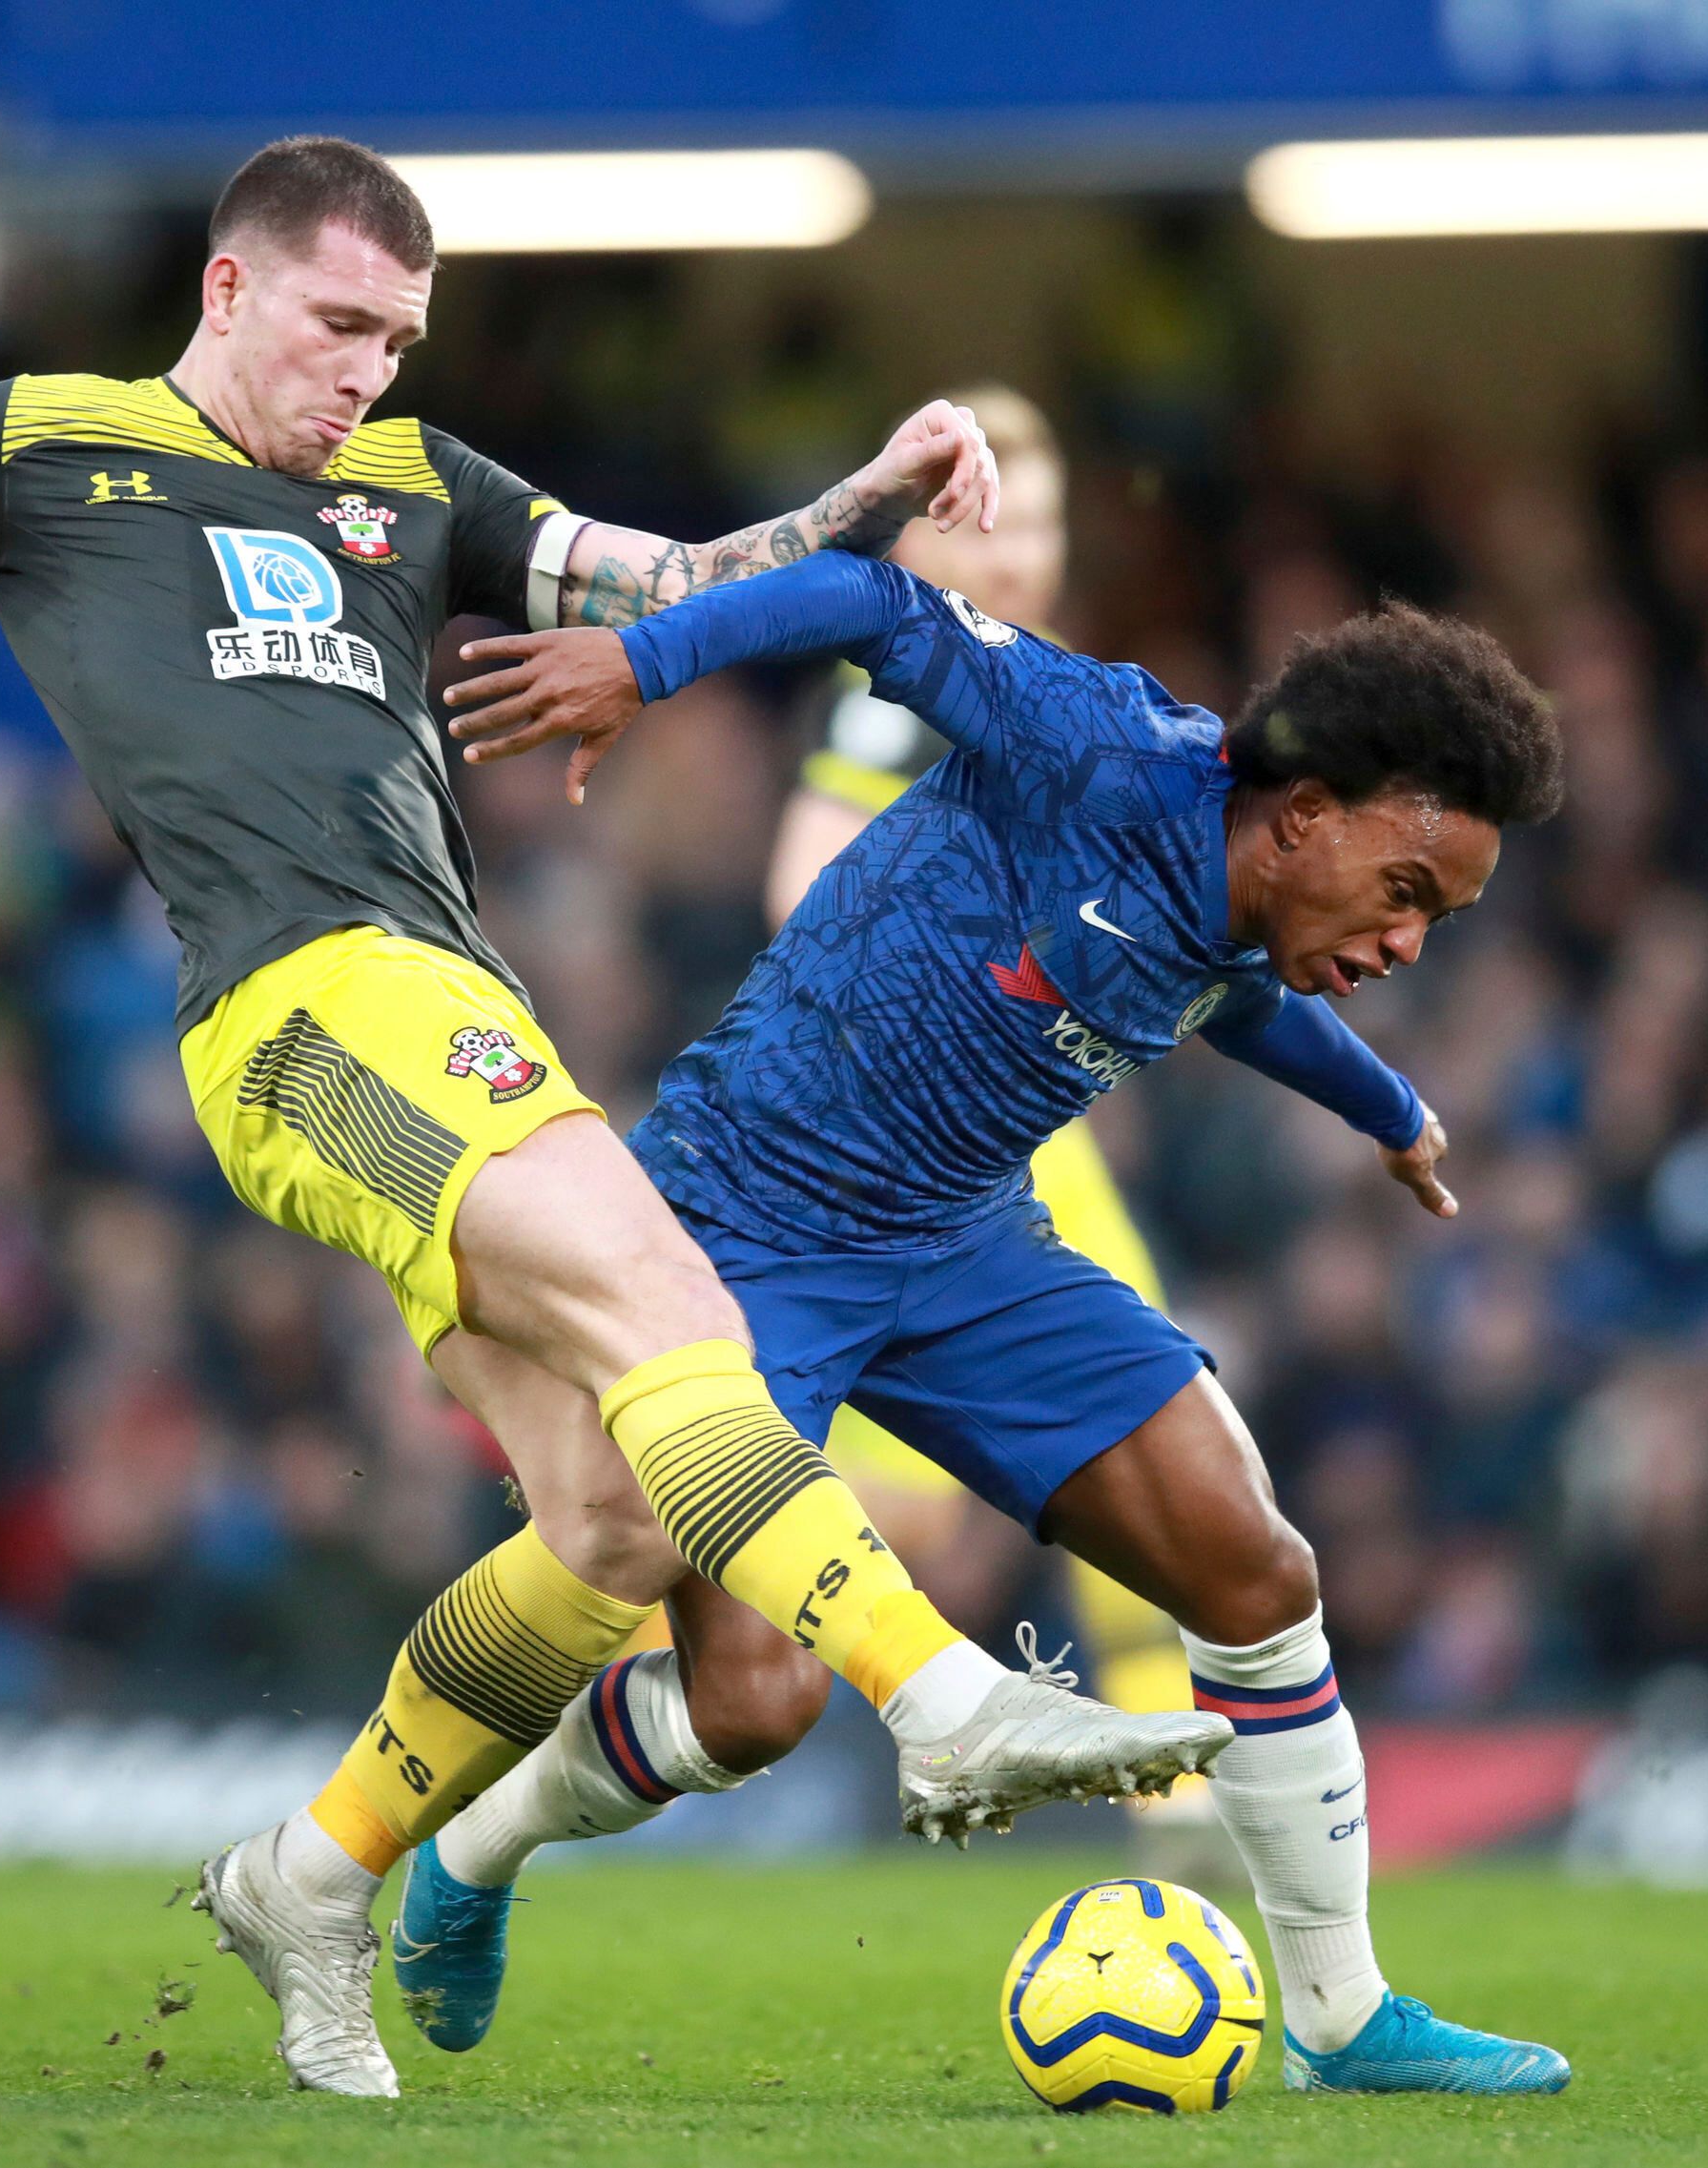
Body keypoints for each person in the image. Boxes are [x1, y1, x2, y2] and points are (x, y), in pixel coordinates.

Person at [0, 136, 1225, 2099]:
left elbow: (671, 581)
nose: (366, 371)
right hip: (296, 1001)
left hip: (452, 1002)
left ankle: (313, 1872)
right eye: (340, 324)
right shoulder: (33, 443)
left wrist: (866, 497)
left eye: (398, 338)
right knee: (672, 1306)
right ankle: (943, 1699)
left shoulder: (418, 483)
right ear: (230, 287)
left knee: (612, 1519)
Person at [391, 551, 1577, 2096]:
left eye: (1441, 918)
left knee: (1255, 1562)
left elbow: (1230, 994)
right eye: (1408, 893)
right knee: (755, 1704)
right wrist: (644, 662)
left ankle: (1342, 2017)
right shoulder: (1098, 742)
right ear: (1303, 816)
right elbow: (874, 601)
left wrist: (1388, 1106)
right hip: (741, 1236)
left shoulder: (1246, 907)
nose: (1412, 942)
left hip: (963, 1247)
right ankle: (476, 1846)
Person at [761, 383, 1201, 1750]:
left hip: (974, 1115)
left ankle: (1163, 1763)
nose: (1019, 555)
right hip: (935, 1112)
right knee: (1129, 1399)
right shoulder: (910, 686)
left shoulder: (1022, 679)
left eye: (1042, 522)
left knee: (1000, 1463)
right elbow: (799, 882)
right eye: (988, 521)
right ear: (918, 539)